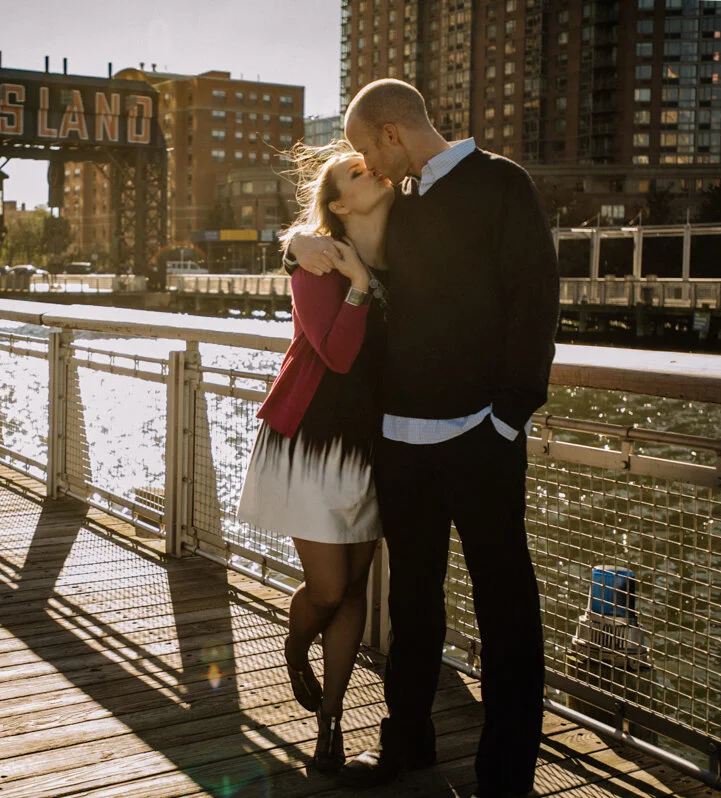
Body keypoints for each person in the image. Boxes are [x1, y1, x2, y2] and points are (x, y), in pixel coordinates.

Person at [288, 79, 559, 798]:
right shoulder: (395, 205)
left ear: (392, 135)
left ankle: (506, 776)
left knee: (506, 611)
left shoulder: (503, 185)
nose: (367, 165)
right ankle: (405, 748)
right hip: (400, 444)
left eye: (364, 149)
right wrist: (296, 241)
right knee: (412, 605)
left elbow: (536, 298)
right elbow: (331, 244)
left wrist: (507, 417)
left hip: (480, 437)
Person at [236, 140, 392, 775]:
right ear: (335, 201)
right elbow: (336, 355)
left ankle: (330, 723)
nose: (373, 167)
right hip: (314, 440)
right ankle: (296, 649)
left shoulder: (400, 250)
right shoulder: (316, 263)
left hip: (375, 442)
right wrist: (357, 286)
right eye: (357, 170)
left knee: (353, 587)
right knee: (328, 588)